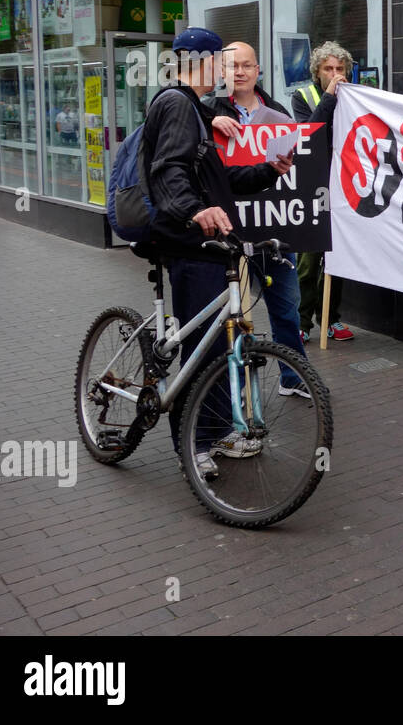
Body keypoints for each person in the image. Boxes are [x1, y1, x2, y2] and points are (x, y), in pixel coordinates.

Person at [144, 27, 293, 478]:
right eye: (221, 61)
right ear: (203, 61)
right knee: (201, 349)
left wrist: (269, 169)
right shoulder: (176, 103)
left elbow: (223, 185)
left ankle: (211, 429)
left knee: (218, 342)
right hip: (190, 244)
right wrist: (197, 211)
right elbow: (167, 170)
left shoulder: (195, 108)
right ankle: (195, 443)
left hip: (214, 246)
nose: (227, 71)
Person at [205, 41, 310, 390]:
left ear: (258, 69)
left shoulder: (279, 113)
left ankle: (293, 377)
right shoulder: (206, 110)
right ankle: (230, 386)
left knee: (285, 306)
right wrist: (208, 119)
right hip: (228, 229)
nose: (240, 72)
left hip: (272, 226)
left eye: (246, 66)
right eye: (232, 66)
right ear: (222, 72)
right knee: (228, 311)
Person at [292, 40, 355, 342]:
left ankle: (331, 319)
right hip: (312, 185)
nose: (334, 74)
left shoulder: (355, 98)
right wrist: (329, 97)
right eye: (328, 69)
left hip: (343, 186)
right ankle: (302, 322)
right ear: (317, 72)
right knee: (308, 260)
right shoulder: (302, 96)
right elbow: (311, 133)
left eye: (340, 69)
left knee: (337, 257)